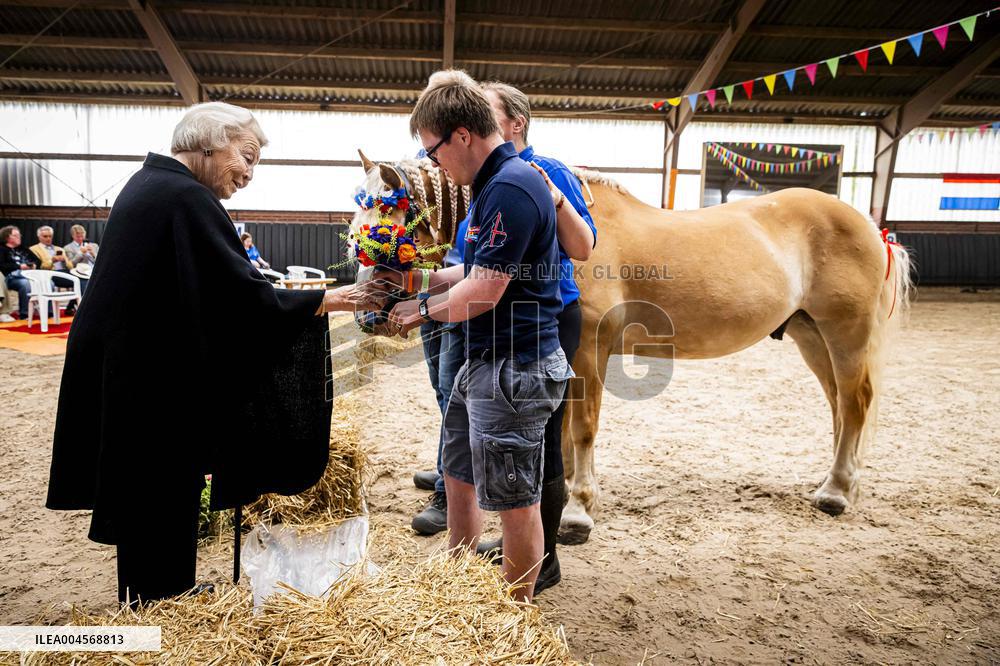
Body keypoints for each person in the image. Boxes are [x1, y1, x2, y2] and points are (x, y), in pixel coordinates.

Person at [45, 101, 380, 607]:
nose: (248, 172)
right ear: (208, 142)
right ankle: (160, 597)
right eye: (245, 156)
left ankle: (161, 589)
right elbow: (236, 297)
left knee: (153, 487)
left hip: (136, 368)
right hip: (148, 379)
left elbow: (201, 292)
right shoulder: (184, 197)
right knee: (159, 485)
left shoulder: (152, 185)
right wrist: (324, 299)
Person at [374, 69, 573, 603]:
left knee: (514, 499)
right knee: (459, 468)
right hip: (485, 359)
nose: (433, 162)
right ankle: (458, 582)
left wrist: (420, 311)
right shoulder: (491, 186)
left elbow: (485, 291)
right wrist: (419, 281)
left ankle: (510, 616)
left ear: (462, 135)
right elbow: (475, 269)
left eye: (433, 150)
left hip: (514, 365)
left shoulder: (510, 186)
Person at [473, 81, 597, 595]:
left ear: (515, 123)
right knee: (514, 439)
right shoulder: (487, 178)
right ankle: (521, 539)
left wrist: (553, 197)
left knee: (542, 434)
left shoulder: (547, 172)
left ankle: (542, 558)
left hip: (546, 313)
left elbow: (584, 245)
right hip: (498, 315)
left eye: (488, 113)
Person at [29, 225, 78, 312]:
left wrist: (64, 261)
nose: (48, 238)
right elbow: (40, 267)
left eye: (50, 236)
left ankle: (72, 306)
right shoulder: (33, 249)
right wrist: (52, 260)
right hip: (49, 274)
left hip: (65, 273)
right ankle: (72, 307)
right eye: (45, 236)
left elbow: (70, 266)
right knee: (80, 281)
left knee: (84, 281)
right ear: (39, 237)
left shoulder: (59, 249)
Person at [0, 226, 37, 320]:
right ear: (7, 237)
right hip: (10, 277)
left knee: (49, 282)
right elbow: (2, 266)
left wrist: (33, 265)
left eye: (19, 235)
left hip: (29, 275)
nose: (19, 237)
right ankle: (25, 314)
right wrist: (19, 267)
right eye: (15, 235)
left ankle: (49, 312)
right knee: (25, 283)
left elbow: (37, 260)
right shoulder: (2, 249)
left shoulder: (23, 248)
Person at [64, 224, 99, 295]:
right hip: (79, 273)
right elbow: (71, 264)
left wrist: (93, 254)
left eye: (82, 236)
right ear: (72, 236)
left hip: (94, 272)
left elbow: (99, 262)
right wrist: (81, 253)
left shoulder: (94, 246)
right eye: (77, 236)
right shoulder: (68, 248)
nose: (80, 238)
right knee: (84, 283)